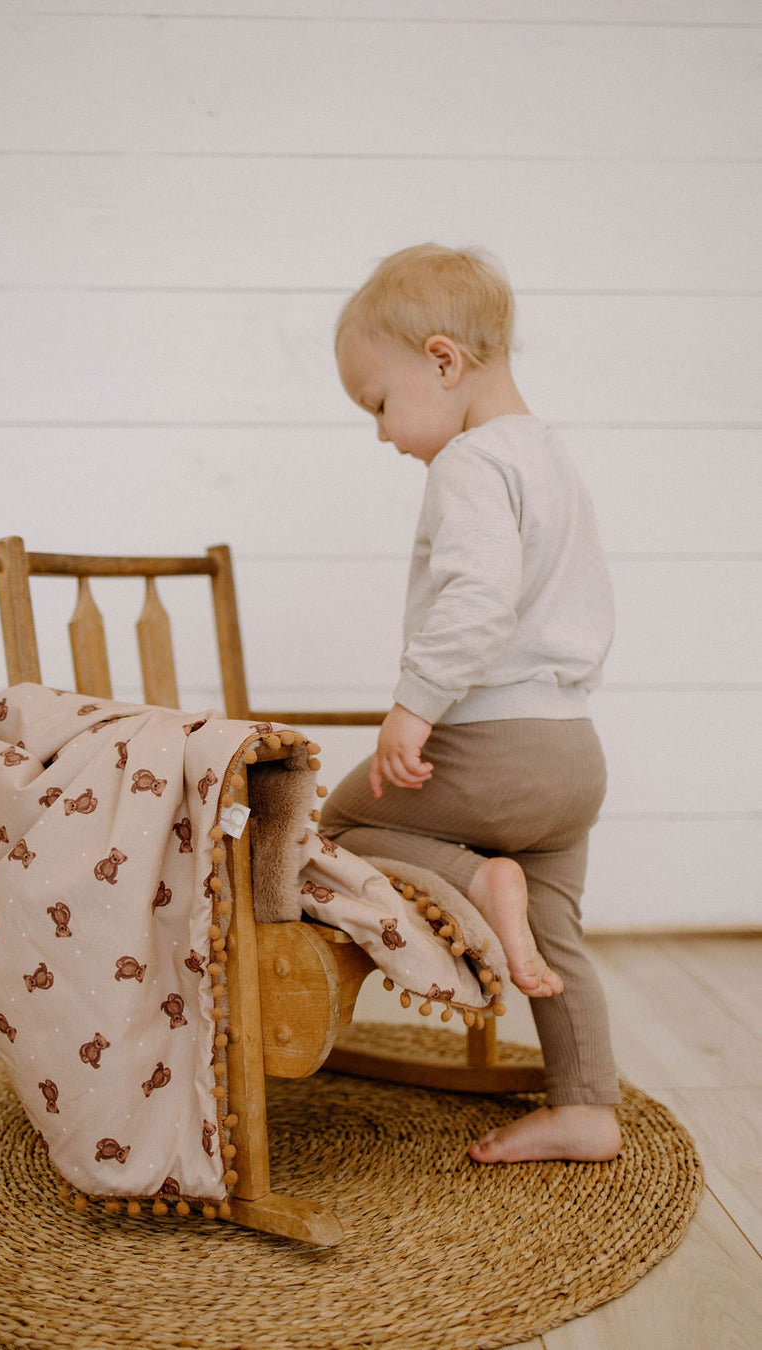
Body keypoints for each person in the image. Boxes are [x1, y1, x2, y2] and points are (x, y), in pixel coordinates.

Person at [318, 244, 622, 1164]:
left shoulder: (469, 461)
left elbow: (478, 599)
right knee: (558, 935)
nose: (380, 433)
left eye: (379, 403)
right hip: (572, 754)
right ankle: (585, 1108)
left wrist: (414, 705)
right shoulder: (552, 457)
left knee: (330, 829)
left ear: (443, 361)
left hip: (493, 745)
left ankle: (477, 879)